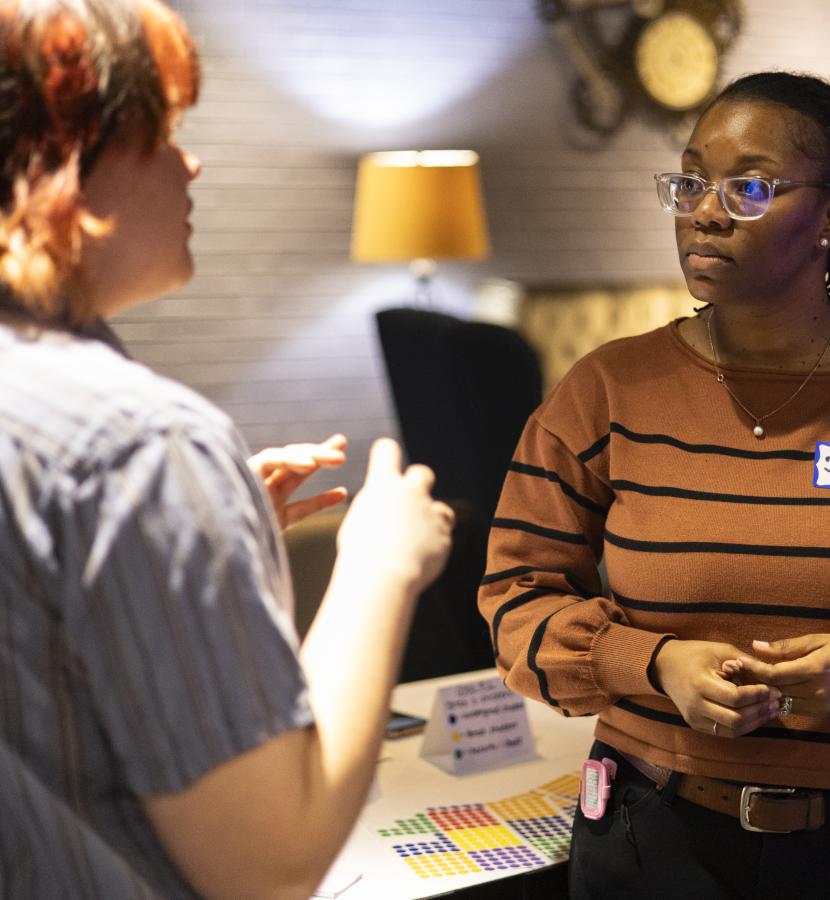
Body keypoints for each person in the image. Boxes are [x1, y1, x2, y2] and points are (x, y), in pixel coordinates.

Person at [479, 71, 830, 899]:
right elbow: (512, 595)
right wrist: (653, 662)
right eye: (691, 180)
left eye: (749, 186)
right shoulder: (608, 389)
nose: (706, 210)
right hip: (650, 839)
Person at [0, 2, 453, 897]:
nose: (190, 162)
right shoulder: (137, 441)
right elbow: (271, 863)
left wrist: (188, 528)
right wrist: (379, 562)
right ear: (66, 169)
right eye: (162, 134)